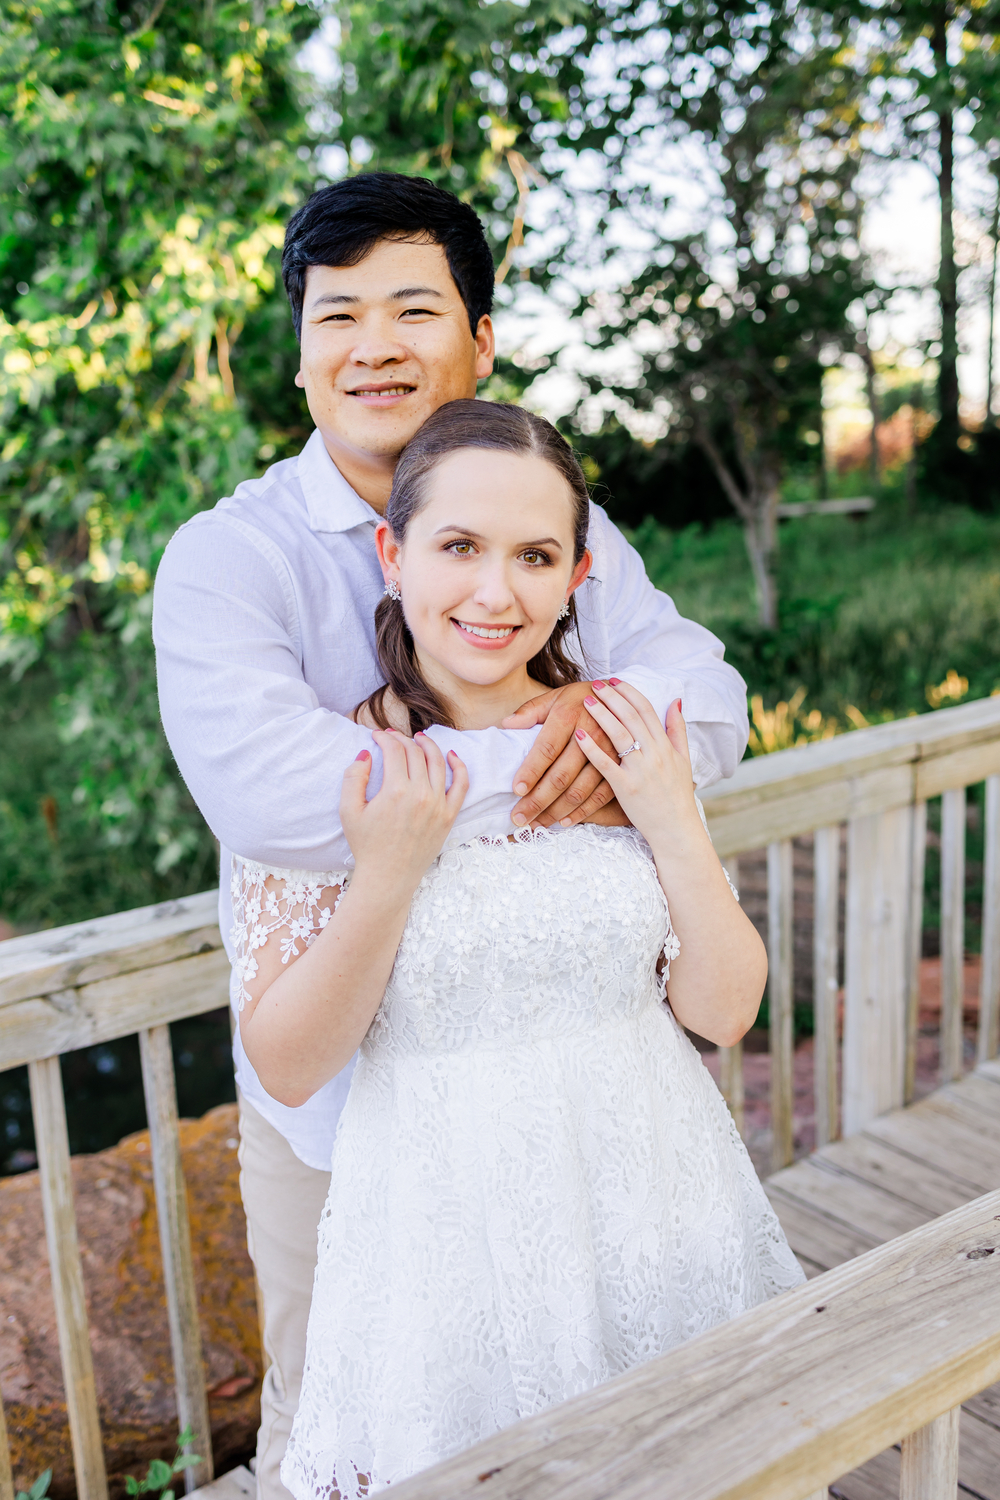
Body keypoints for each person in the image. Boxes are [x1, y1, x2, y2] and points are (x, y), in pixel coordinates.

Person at [152, 173, 753, 1500]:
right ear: (300, 354)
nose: (373, 345)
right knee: (355, 1441)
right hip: (356, 1138)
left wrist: (609, 739)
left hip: (602, 1132)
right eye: (337, 314)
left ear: (479, 341)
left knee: (643, 1439)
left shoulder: (550, 516)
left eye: (413, 309)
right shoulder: (230, 556)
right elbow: (274, 797)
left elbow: (710, 706)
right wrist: (572, 745)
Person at [229, 400, 804, 1500]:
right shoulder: (330, 776)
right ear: (392, 555)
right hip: (449, 1237)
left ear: (578, 575)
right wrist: (387, 874)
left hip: (656, 1194)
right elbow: (288, 1065)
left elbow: (725, 1011)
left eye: (535, 557)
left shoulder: (623, 738)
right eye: (458, 547)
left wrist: (669, 817)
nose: (496, 593)